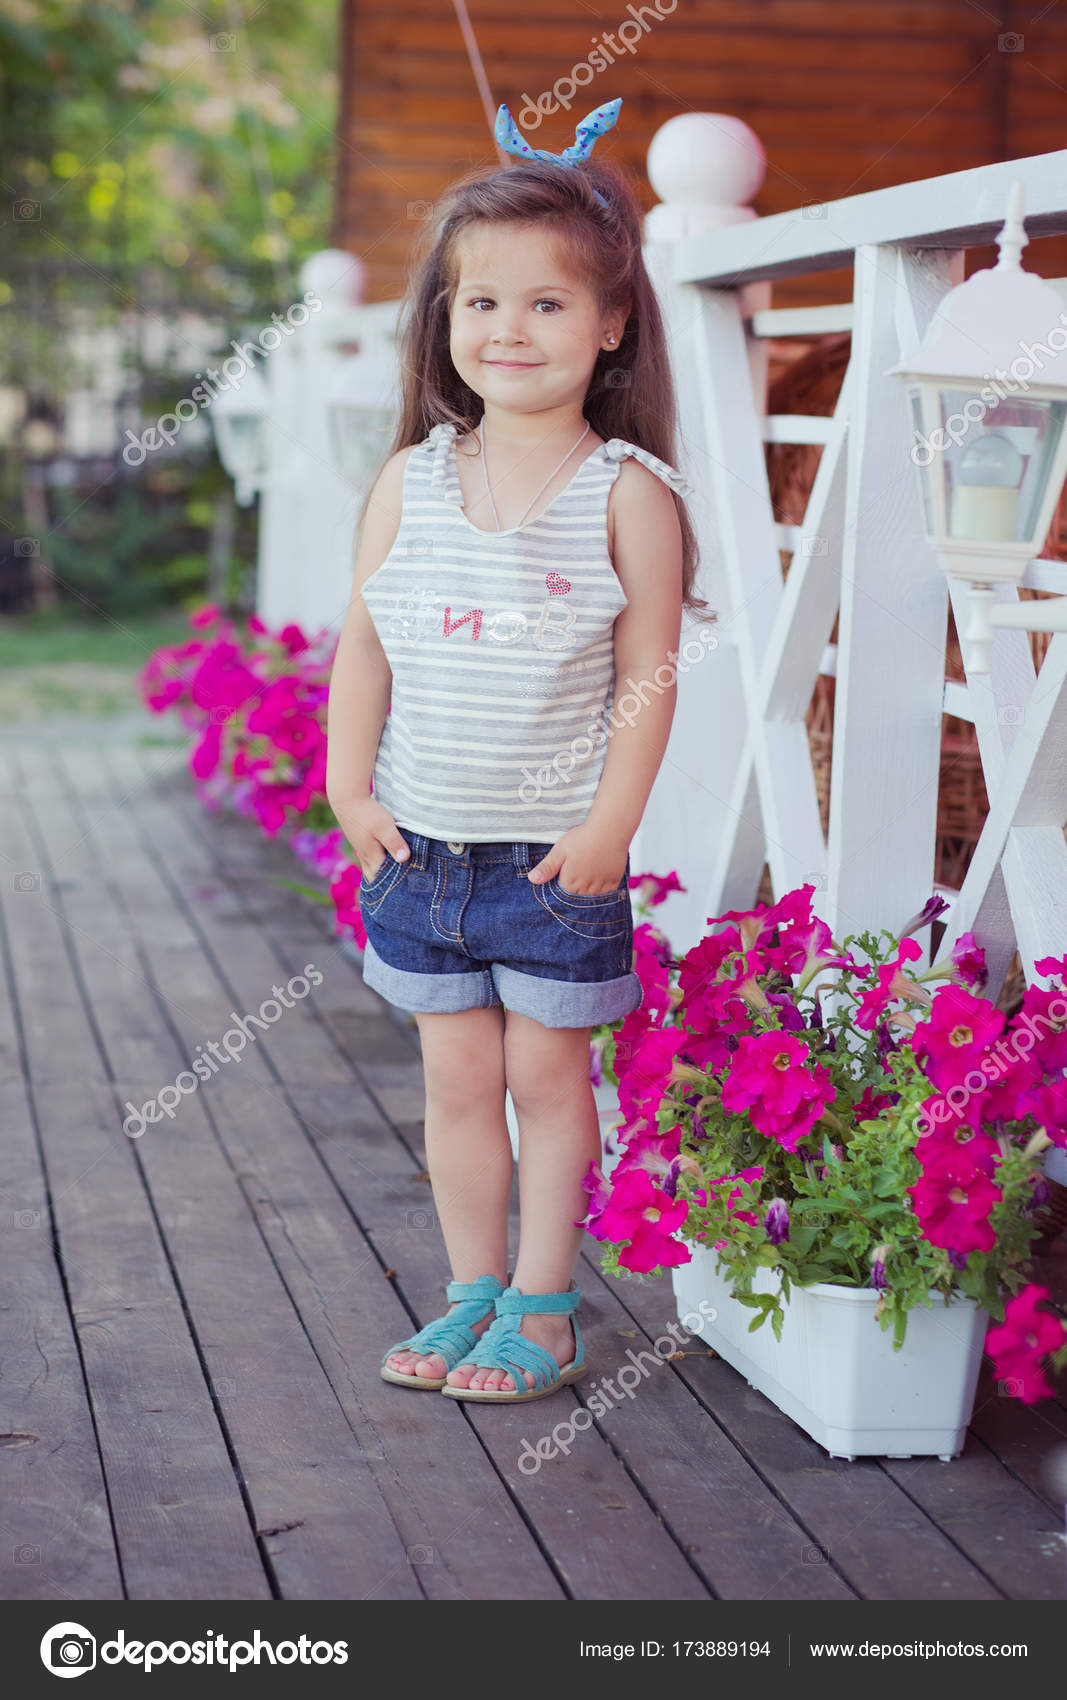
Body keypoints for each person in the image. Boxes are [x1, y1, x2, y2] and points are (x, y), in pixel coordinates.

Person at [325, 97, 715, 1404]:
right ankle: (472, 1295)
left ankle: (545, 1310)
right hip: (422, 847)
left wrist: (610, 827)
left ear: (611, 323)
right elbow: (366, 646)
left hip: (553, 859)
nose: (508, 330)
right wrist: (348, 786)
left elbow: (647, 680)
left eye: (547, 305)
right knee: (455, 1083)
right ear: (445, 321)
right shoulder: (411, 481)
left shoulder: (630, 496)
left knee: (549, 1080)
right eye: (480, 303)